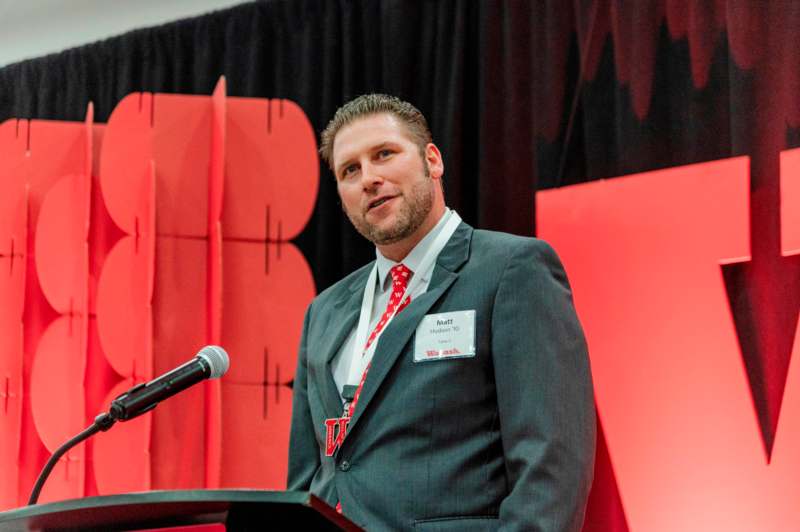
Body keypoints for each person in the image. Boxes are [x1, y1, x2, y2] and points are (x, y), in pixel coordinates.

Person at [287, 94, 595, 531]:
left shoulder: (512, 270)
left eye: (384, 155)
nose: (369, 178)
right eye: (349, 170)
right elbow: (308, 480)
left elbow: (552, 463)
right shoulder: (325, 312)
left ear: (432, 160)